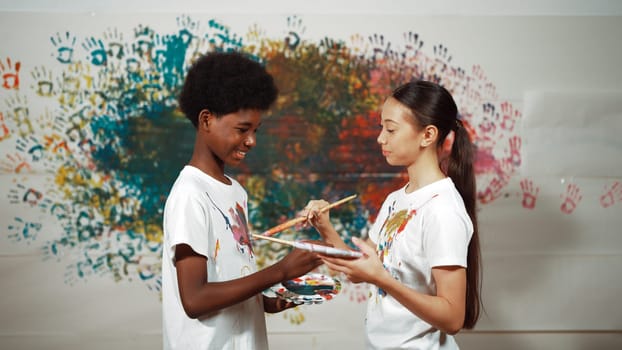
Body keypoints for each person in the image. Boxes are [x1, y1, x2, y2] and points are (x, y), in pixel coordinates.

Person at [302, 80, 482, 349]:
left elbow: (453, 317)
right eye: (381, 127)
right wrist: (325, 227)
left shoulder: (443, 209)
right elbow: (358, 270)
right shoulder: (396, 199)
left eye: (391, 129)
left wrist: (382, 279)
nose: (380, 138)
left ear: (428, 135)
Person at [161, 51, 323, 350]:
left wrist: (272, 301)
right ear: (206, 120)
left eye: (255, 130)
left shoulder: (235, 191)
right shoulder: (190, 194)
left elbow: (232, 278)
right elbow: (195, 300)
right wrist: (280, 270)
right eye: (242, 129)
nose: (252, 141)